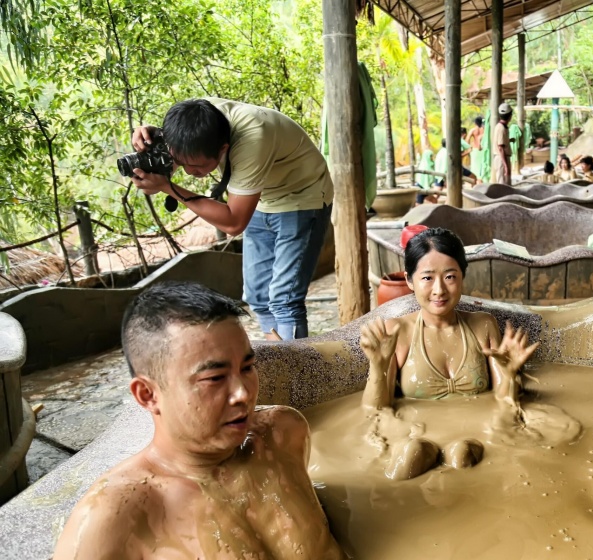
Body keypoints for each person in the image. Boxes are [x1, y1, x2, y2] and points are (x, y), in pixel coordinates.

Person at [52, 281, 364, 560]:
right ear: (147, 394)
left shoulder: (283, 435)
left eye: (247, 367)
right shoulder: (115, 520)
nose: (243, 393)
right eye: (214, 378)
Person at [130, 99, 332, 341]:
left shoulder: (252, 137)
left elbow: (233, 223)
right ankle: (280, 358)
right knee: (258, 296)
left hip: (302, 197)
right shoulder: (199, 117)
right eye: (182, 163)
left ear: (223, 148)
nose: (188, 172)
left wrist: (169, 188)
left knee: (284, 298)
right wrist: (157, 138)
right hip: (260, 197)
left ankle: (294, 372)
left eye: (195, 167)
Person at [359, 228, 538, 479]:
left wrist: (511, 373)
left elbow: (505, 402)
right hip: (413, 434)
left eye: (450, 276)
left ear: (463, 276)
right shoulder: (396, 331)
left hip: (475, 435)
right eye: (427, 278)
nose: (439, 290)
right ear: (410, 280)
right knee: (413, 454)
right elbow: (376, 409)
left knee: (462, 454)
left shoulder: (483, 325)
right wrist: (377, 367)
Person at [491, 103, 514, 184]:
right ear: (510, 116)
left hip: (501, 158)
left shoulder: (500, 127)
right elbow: (500, 148)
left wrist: (509, 140)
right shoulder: (501, 128)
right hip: (501, 158)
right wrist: (505, 166)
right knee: (503, 185)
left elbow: (501, 142)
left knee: (505, 183)